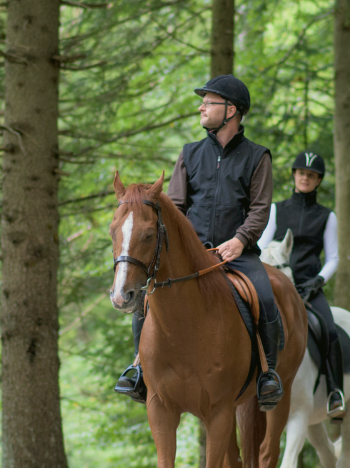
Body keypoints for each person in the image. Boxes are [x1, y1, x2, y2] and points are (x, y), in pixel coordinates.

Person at [114, 74, 283, 410]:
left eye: (208, 102)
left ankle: (267, 374)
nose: (201, 107)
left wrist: (240, 240)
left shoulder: (257, 157)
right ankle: (138, 368)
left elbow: (260, 209)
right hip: (192, 256)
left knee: (265, 295)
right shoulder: (190, 154)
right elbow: (175, 207)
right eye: (202, 102)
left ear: (230, 109)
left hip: (236, 253)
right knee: (148, 298)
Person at [257, 150, 344, 419]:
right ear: (294, 175)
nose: (306, 178)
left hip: (309, 287)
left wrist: (318, 281)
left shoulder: (327, 216)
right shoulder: (276, 209)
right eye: (302, 173)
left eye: (312, 175)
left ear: (318, 181)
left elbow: (333, 257)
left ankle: (334, 392)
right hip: (277, 284)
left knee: (329, 330)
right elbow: (260, 245)